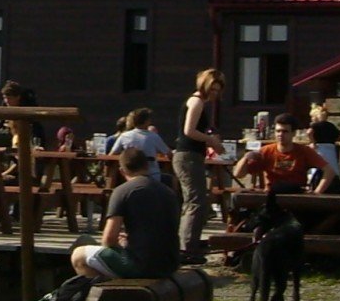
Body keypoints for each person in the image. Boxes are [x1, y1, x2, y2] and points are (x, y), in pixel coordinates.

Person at [72, 146, 180, 282]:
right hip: (169, 265)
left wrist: (121, 246)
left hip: (141, 265)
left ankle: (99, 297)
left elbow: (108, 240)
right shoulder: (168, 192)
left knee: (79, 255)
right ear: (147, 166)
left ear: (122, 171)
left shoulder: (122, 191)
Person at [171, 67, 227, 260]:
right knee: (196, 201)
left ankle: (187, 243)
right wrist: (211, 140)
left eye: (218, 91)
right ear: (204, 86)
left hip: (190, 155)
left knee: (193, 200)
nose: (215, 94)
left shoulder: (197, 102)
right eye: (212, 89)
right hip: (188, 155)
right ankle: (187, 248)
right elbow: (189, 130)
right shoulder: (197, 102)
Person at [234, 115, 339, 193]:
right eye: (278, 131)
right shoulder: (266, 151)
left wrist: (317, 192)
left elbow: (329, 171)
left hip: (296, 196)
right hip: (272, 195)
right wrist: (245, 158)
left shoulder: (304, 151)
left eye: (285, 131)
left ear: (293, 133)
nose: (280, 135)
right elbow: (238, 174)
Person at [111, 107, 171, 181]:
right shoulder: (154, 136)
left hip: (130, 174)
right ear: (147, 121)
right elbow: (168, 154)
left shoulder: (125, 136)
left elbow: (112, 154)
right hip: (152, 174)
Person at [307, 104, 340, 181]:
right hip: (331, 149)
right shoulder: (331, 125)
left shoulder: (315, 125)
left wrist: (313, 142)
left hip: (320, 148)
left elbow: (309, 132)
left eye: (312, 116)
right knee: (332, 168)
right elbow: (338, 136)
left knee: (319, 168)